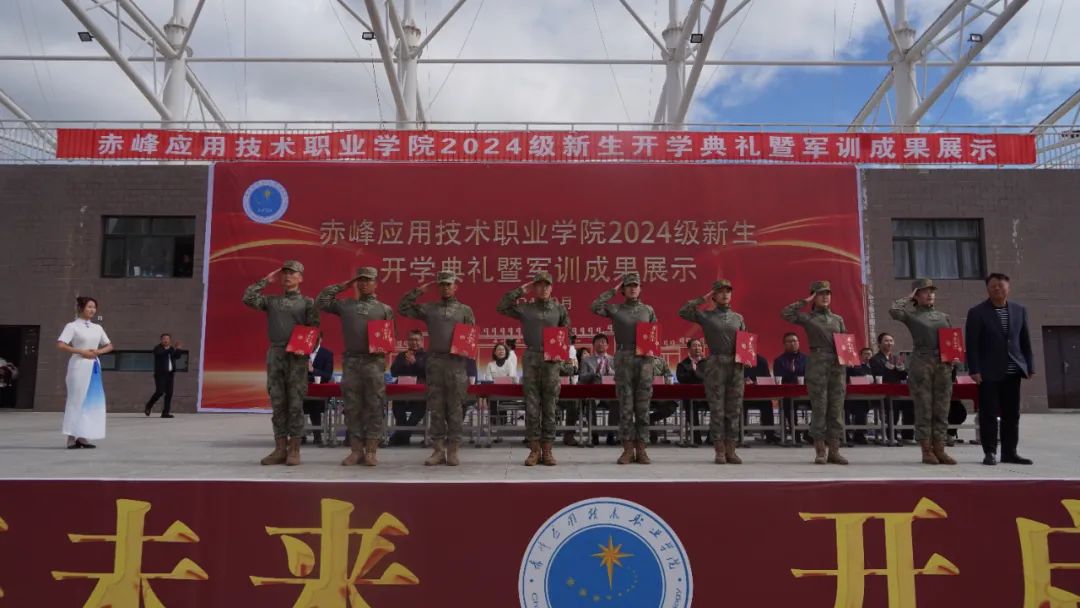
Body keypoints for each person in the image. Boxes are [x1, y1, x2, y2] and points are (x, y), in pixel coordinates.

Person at [242, 260, 319, 466]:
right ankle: (279, 448)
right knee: (278, 403)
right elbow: (248, 298)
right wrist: (264, 281)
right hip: (276, 354)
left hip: (297, 357)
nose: (287, 276)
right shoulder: (272, 301)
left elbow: (314, 330)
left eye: (292, 273)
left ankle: (294, 449)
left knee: (295, 403)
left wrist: (306, 350)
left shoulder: (307, 302)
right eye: (285, 273)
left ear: (300, 278)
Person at [399, 271, 476, 466]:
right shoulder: (429, 308)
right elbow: (403, 307)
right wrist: (419, 290)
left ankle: (453, 450)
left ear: (455, 287)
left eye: (449, 284)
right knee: (436, 408)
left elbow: (470, 338)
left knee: (456, 408)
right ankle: (438, 450)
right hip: (435, 363)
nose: (445, 288)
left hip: (456, 364)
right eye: (442, 284)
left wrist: (467, 363)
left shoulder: (465, 310)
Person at [317, 267, 392, 465]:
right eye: (360, 280)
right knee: (352, 407)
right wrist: (344, 286)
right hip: (351, 362)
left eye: (368, 280)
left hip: (374, 362)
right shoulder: (346, 305)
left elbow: (389, 337)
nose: (364, 284)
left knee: (375, 406)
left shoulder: (384, 309)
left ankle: (371, 451)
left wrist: (384, 349)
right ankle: (356, 450)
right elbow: (321, 301)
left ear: (376, 283)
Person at [496, 271, 571, 466]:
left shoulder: (559, 309)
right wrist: (521, 290)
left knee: (550, 406)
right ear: (534, 287)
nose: (543, 289)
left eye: (547, 285)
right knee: (531, 406)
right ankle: (534, 450)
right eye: (539, 285)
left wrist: (563, 358)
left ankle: (548, 450)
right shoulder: (526, 309)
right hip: (531, 358)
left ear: (551, 287)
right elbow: (502, 306)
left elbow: (566, 334)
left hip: (552, 361)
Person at [965, 272, 1035, 466]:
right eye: (993, 286)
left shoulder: (1019, 310)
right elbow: (972, 344)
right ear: (988, 289)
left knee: (1012, 414)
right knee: (988, 414)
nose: (997, 289)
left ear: (1008, 288)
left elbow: (1025, 340)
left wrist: (1030, 365)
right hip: (988, 373)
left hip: (1013, 370)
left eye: (1001, 285)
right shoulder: (977, 312)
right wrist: (974, 369)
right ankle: (990, 452)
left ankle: (1010, 452)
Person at [890, 279, 958, 465]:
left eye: (931, 291)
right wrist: (907, 298)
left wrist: (954, 357)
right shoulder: (912, 316)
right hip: (922, 362)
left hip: (943, 364)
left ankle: (940, 448)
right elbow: (894, 311)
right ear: (916, 295)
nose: (929, 294)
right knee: (924, 408)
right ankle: (926, 450)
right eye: (924, 291)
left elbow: (952, 340)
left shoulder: (944, 316)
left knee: (942, 408)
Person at [678, 279, 747, 464]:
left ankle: (731, 449)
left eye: (728, 291)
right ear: (714, 295)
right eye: (720, 291)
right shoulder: (706, 316)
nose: (725, 294)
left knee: (734, 409)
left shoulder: (738, 318)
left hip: (736, 365)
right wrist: (703, 298)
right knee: (717, 409)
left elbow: (745, 343)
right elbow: (683, 311)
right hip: (716, 363)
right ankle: (719, 450)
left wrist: (746, 359)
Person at [592, 272, 657, 465]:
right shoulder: (615, 308)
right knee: (626, 407)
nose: (633, 289)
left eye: (636, 285)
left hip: (644, 359)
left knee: (643, 407)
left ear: (640, 288)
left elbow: (654, 334)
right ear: (623, 290)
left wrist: (652, 355)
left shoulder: (648, 310)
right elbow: (595, 306)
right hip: (624, 357)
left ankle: (642, 449)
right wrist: (612, 291)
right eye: (628, 286)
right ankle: (628, 449)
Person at [782, 280, 850, 465]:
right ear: (813, 296)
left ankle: (834, 451)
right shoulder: (808, 318)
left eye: (827, 293)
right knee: (820, 407)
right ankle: (820, 450)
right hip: (818, 364)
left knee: (836, 408)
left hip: (837, 366)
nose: (825, 297)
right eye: (820, 294)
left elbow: (845, 342)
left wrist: (847, 358)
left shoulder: (838, 319)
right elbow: (786, 313)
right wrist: (805, 301)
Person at [56, 297, 114, 449]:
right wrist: (81, 351)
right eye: (89, 307)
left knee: (90, 400)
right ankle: (71, 436)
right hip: (79, 365)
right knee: (76, 400)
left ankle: (83, 436)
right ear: (81, 308)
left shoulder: (97, 327)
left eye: (94, 307)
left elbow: (109, 345)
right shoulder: (72, 326)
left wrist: (98, 352)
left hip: (94, 366)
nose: (92, 310)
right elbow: (61, 344)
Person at [869, 332, 912, 442]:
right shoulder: (875, 359)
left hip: (898, 388)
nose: (889, 343)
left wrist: (902, 370)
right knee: (893, 406)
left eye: (891, 341)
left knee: (910, 404)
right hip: (884, 391)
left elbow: (903, 376)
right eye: (886, 341)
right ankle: (891, 435)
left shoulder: (896, 357)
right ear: (879, 343)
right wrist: (888, 368)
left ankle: (907, 435)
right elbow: (877, 375)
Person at [576, 333, 617, 446]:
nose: (601, 344)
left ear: (607, 345)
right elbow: (582, 377)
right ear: (593, 345)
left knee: (617, 403)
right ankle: (594, 435)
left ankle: (611, 434)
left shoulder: (613, 360)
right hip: (593, 393)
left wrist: (610, 371)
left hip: (610, 393)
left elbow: (619, 376)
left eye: (603, 342)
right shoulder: (586, 360)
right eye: (598, 342)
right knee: (590, 403)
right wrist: (594, 373)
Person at [767, 333, 808, 443]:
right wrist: (794, 376)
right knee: (788, 403)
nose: (793, 343)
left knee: (821, 404)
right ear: (784, 344)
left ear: (798, 343)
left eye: (795, 341)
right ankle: (795, 434)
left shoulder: (806, 359)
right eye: (789, 341)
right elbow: (780, 377)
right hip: (787, 394)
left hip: (805, 394)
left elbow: (809, 375)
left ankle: (809, 433)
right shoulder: (779, 361)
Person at [389, 329, 427, 445]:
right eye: (411, 340)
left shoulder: (427, 356)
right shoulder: (401, 356)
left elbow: (428, 373)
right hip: (402, 392)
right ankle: (403, 436)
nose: (414, 342)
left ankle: (402, 435)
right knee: (397, 408)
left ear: (421, 341)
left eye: (416, 340)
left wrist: (415, 363)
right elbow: (393, 372)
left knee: (419, 411)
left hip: (419, 394)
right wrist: (404, 364)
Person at [301, 334, 334, 445]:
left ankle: (317, 435)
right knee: (296, 403)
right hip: (302, 391)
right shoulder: (302, 353)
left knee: (314, 404)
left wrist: (312, 370)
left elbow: (327, 375)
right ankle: (299, 435)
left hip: (319, 394)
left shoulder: (327, 354)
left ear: (320, 340)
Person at [675, 338, 707, 445]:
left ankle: (712, 438)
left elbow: (710, 378)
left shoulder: (707, 363)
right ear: (688, 349)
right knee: (690, 406)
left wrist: (696, 372)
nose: (697, 348)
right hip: (690, 397)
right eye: (694, 346)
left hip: (707, 396)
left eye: (699, 346)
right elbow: (681, 379)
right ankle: (696, 438)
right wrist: (692, 371)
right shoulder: (683, 364)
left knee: (719, 406)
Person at [144, 333, 184, 418]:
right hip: (160, 374)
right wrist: (170, 349)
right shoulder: (157, 348)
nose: (166, 340)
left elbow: (177, 357)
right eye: (164, 339)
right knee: (160, 392)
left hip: (170, 374)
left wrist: (178, 349)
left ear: (170, 340)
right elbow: (161, 354)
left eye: (167, 339)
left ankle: (165, 413)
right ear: (161, 340)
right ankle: (149, 405)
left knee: (169, 393)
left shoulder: (171, 349)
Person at [844, 347, 874, 445]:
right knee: (848, 408)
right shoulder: (855, 367)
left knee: (862, 408)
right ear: (860, 356)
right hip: (854, 397)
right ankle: (847, 434)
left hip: (870, 397)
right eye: (865, 354)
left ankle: (860, 434)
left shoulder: (874, 367)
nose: (867, 356)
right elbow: (851, 379)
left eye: (869, 354)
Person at [742, 354, 774, 443]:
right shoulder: (738, 360)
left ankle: (770, 435)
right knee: (737, 404)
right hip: (742, 396)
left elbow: (767, 378)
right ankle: (739, 434)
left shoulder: (761, 361)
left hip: (759, 395)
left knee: (767, 403)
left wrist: (757, 382)